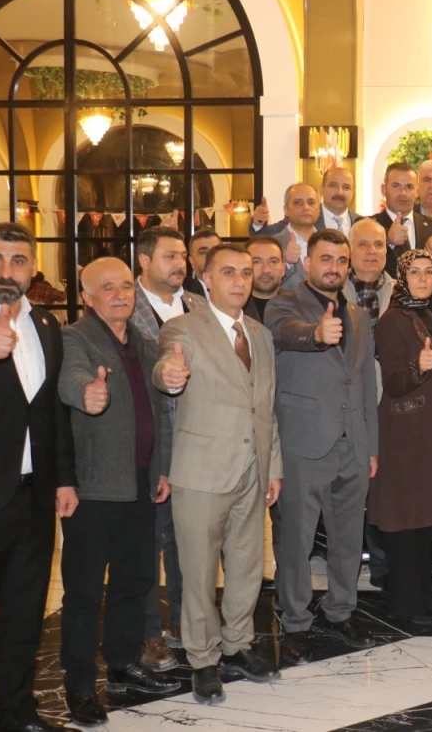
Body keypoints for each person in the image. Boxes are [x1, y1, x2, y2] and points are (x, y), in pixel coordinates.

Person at [153, 243, 283, 706]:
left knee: (247, 566)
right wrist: (169, 375)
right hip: (202, 470)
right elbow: (167, 366)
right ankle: (203, 659)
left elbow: (266, 407)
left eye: (246, 272)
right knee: (199, 571)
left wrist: (274, 467)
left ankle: (237, 646)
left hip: (253, 469)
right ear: (205, 278)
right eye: (228, 272)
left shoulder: (260, 335)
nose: (240, 280)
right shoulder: (183, 327)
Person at [57, 258, 177, 727]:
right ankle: (79, 684)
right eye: (107, 287)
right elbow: (73, 378)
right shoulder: (75, 338)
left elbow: (159, 412)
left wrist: (161, 469)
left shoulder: (143, 343)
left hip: (142, 483)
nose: (120, 294)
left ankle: (123, 665)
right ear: (87, 296)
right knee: (84, 592)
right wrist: (86, 392)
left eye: (126, 285)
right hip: (93, 490)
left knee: (134, 581)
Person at [266, 229, 378, 664]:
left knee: (348, 539)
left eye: (341, 260)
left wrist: (371, 445)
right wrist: (316, 333)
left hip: (353, 445)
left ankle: (341, 610)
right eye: (326, 259)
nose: (334, 267)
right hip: (303, 444)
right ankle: (295, 620)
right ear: (308, 262)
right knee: (295, 540)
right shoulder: (283, 304)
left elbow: (364, 382)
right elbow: (286, 333)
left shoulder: (360, 316)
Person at [0, 222, 69, 732]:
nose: (6, 271)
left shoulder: (47, 325)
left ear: (33, 267)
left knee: (23, 614)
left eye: (17, 261)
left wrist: (64, 479)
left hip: (34, 498)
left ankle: (18, 711)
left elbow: (51, 413)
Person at [131, 226, 205, 669]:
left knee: (189, 541)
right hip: (150, 445)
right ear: (144, 261)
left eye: (183, 256)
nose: (180, 264)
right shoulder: (126, 306)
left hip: (198, 444)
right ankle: (148, 633)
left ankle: (183, 620)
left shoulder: (199, 304)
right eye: (169, 256)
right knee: (148, 544)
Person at [369, 249, 432, 624]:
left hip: (423, 433)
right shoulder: (392, 320)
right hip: (403, 437)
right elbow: (393, 382)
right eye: (414, 272)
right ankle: (406, 605)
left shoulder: (422, 314)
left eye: (428, 272)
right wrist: (417, 368)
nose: (422, 278)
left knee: (420, 521)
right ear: (402, 278)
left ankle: (423, 598)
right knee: (404, 522)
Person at [342, 217, 395, 590]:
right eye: (362, 244)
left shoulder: (402, 290)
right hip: (347, 402)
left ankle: (383, 563)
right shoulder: (333, 291)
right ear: (349, 251)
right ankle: (345, 565)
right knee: (351, 486)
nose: (371, 252)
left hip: (391, 399)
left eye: (378, 244)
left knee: (384, 484)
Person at [373, 162, 432, 278]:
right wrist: (387, 241)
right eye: (396, 186)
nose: (403, 193)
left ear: (417, 192)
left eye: (409, 187)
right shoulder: (369, 225)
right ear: (384, 189)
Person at [270, 183, 322, 288]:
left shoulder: (328, 243)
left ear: (319, 209)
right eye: (298, 202)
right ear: (286, 210)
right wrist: (287, 263)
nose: (306, 207)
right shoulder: (273, 245)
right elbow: (265, 284)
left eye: (311, 202)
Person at [244, 235, 285, 322]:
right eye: (257, 262)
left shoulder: (300, 306)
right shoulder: (232, 307)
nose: (266, 270)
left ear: (283, 269)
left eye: (273, 261)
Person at [183, 227, 221, 297]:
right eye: (203, 252)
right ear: (191, 261)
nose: (210, 256)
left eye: (215, 251)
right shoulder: (181, 293)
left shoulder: (237, 288)